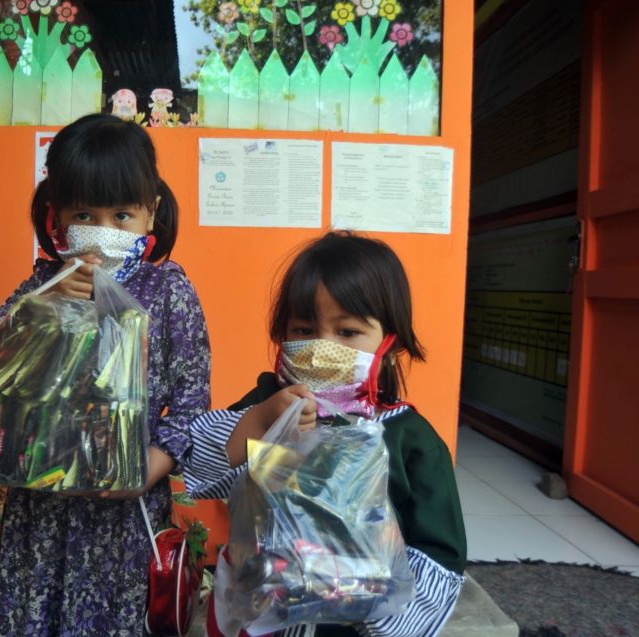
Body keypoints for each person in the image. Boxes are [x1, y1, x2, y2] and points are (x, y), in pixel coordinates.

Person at [0, 113, 211, 635]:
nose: (103, 232)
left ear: (151, 213)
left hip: (125, 521)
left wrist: (149, 469)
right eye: (85, 213)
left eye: (122, 214)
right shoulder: (40, 286)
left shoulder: (167, 292)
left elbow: (192, 403)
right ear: (57, 218)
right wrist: (42, 306)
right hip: (41, 516)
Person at [185, 231, 467, 637]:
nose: (321, 348)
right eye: (303, 329)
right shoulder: (268, 405)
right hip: (261, 620)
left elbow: (441, 555)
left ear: (391, 341)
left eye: (347, 332)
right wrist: (259, 426)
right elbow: (201, 474)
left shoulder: (409, 439)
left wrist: (370, 606)